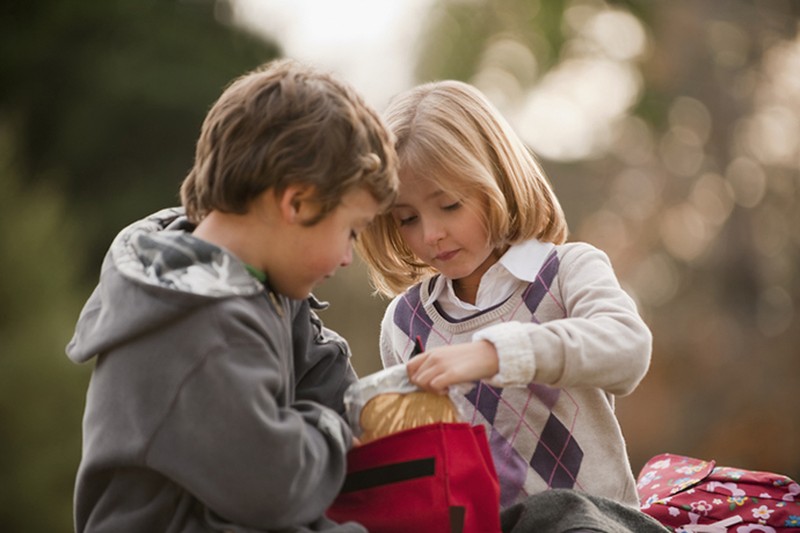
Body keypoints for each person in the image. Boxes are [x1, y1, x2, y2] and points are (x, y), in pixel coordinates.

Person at [65, 58, 398, 533]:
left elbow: (327, 379)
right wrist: (329, 429)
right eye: (351, 231)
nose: (348, 257)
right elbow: (275, 489)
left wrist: (373, 408)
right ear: (296, 202)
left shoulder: (256, 280)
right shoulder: (195, 323)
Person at [356, 80, 652, 511]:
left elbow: (628, 348)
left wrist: (497, 355)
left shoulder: (565, 271)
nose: (431, 233)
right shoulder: (405, 325)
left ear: (497, 179)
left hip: (597, 520)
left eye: (450, 205)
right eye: (407, 218)